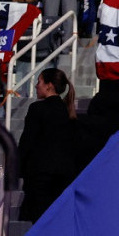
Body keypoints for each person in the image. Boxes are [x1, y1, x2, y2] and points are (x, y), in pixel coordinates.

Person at [19, 68, 79, 223]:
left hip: (41, 177)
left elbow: (27, 142)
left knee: (39, 222)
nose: (36, 86)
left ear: (49, 85)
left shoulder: (37, 109)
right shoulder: (68, 111)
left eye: (39, 82)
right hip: (64, 177)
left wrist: (15, 169)